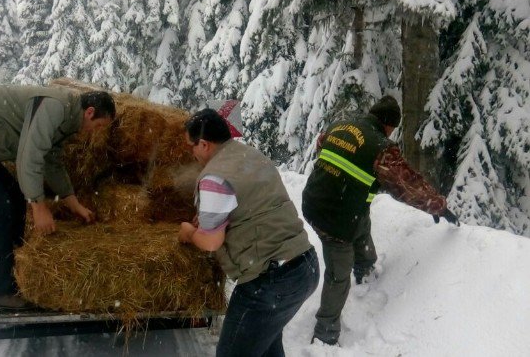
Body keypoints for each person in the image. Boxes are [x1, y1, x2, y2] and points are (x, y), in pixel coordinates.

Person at [0, 85, 115, 311]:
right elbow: (30, 157)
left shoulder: (66, 119)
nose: (96, 132)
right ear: (90, 112)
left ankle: (13, 270)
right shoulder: (55, 107)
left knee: (14, 199)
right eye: (99, 126)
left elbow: (51, 161)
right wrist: (38, 206)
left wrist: (73, 204)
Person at [302, 95, 458, 346]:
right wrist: (436, 205)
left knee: (360, 220)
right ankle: (325, 334)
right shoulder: (380, 147)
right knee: (338, 275)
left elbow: (323, 146)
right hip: (335, 217)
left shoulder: (341, 125)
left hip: (314, 201)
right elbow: (407, 185)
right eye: (393, 128)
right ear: (388, 124)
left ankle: (365, 268)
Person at [178, 108, 320, 357]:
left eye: (192, 146)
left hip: (268, 281)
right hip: (304, 267)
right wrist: (210, 216)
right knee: (265, 346)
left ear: (204, 144)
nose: (191, 153)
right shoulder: (250, 155)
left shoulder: (214, 176)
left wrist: (189, 233)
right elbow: (251, 204)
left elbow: (211, 242)